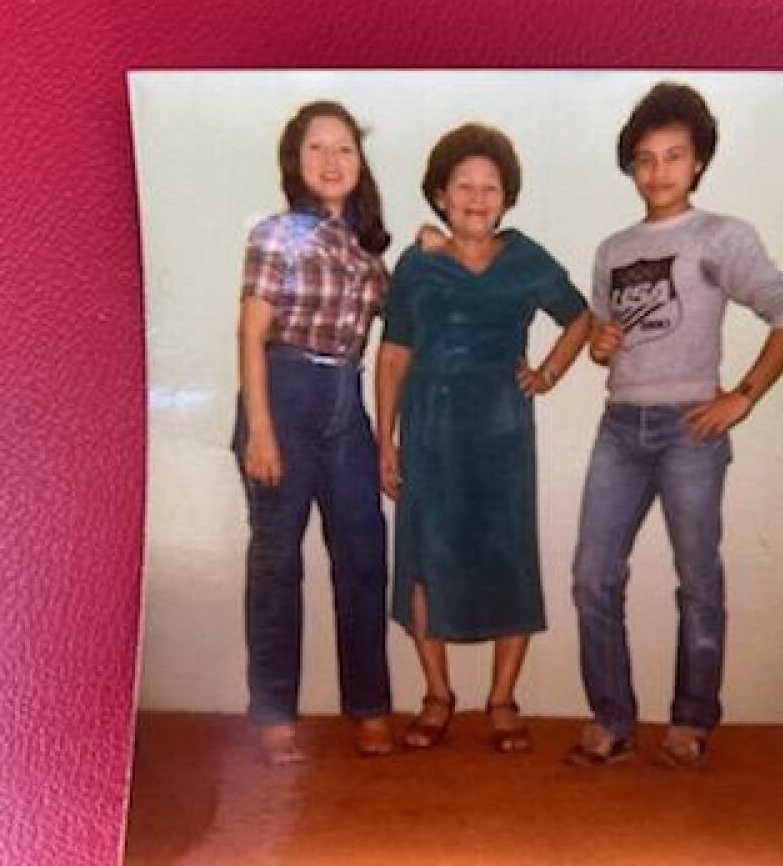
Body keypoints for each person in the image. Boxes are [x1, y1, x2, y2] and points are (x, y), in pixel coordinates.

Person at [567, 83, 783, 768]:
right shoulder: (614, 247)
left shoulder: (720, 235)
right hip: (620, 426)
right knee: (592, 576)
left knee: (697, 578)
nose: (659, 171)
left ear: (697, 161)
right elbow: (601, 335)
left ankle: (691, 721)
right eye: (645, 159)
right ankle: (613, 720)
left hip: (690, 430)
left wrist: (744, 395)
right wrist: (601, 345)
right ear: (631, 167)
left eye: (674, 156)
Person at [376, 123, 592, 754]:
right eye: (463, 186)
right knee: (422, 563)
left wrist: (548, 373)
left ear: (506, 195)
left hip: (502, 436)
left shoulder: (526, 257)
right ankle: (438, 695)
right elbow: (391, 357)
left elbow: (579, 316)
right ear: (440, 195)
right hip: (429, 434)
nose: (476, 197)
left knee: (509, 561)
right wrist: (385, 443)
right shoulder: (418, 262)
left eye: (489, 187)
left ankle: (501, 700)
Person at [233, 100, 394, 766]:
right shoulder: (277, 235)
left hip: (344, 402)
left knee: (362, 555)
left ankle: (369, 707)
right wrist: (262, 432)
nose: (332, 161)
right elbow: (250, 333)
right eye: (316, 148)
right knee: (277, 563)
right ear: (295, 163)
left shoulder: (364, 250)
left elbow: (398, 315)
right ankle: (273, 715)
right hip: (283, 392)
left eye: (345, 148)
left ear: (360, 161)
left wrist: (432, 250)